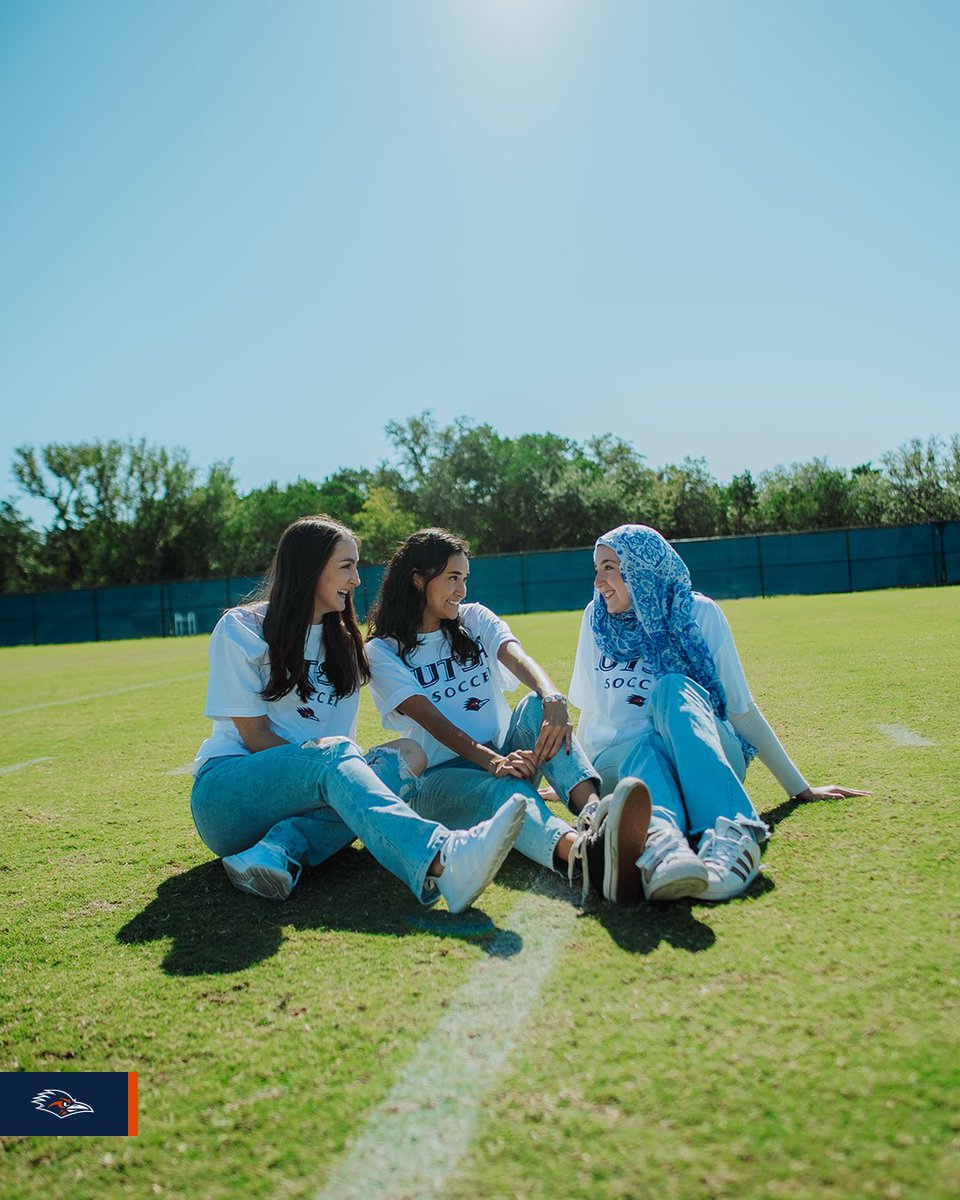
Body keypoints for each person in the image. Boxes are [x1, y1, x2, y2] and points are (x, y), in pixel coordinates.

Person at [190, 515, 526, 915]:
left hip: (310, 792)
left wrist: (331, 776)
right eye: (346, 566)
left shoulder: (346, 645)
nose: (357, 580)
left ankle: (275, 851)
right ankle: (442, 859)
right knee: (335, 758)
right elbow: (254, 737)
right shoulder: (244, 628)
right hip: (230, 797)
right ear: (310, 568)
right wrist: (323, 771)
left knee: (409, 755)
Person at [569, 524, 870, 902]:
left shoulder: (697, 613)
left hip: (702, 749)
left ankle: (732, 836)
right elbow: (591, 713)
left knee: (672, 687)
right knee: (642, 744)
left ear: (641, 567)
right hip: (623, 766)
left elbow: (741, 711)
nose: (598, 581)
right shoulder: (594, 620)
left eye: (610, 567)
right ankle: (664, 845)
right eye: (596, 569)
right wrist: (578, 779)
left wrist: (800, 788)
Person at [364, 528, 652, 903]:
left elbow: (516, 656)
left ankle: (596, 816)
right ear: (418, 579)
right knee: (503, 790)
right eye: (452, 578)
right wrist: (493, 762)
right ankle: (585, 856)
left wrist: (552, 698)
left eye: (464, 579)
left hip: (505, 757)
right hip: (439, 783)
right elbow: (431, 720)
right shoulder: (383, 651)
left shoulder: (473, 618)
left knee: (535, 708)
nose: (461, 590)